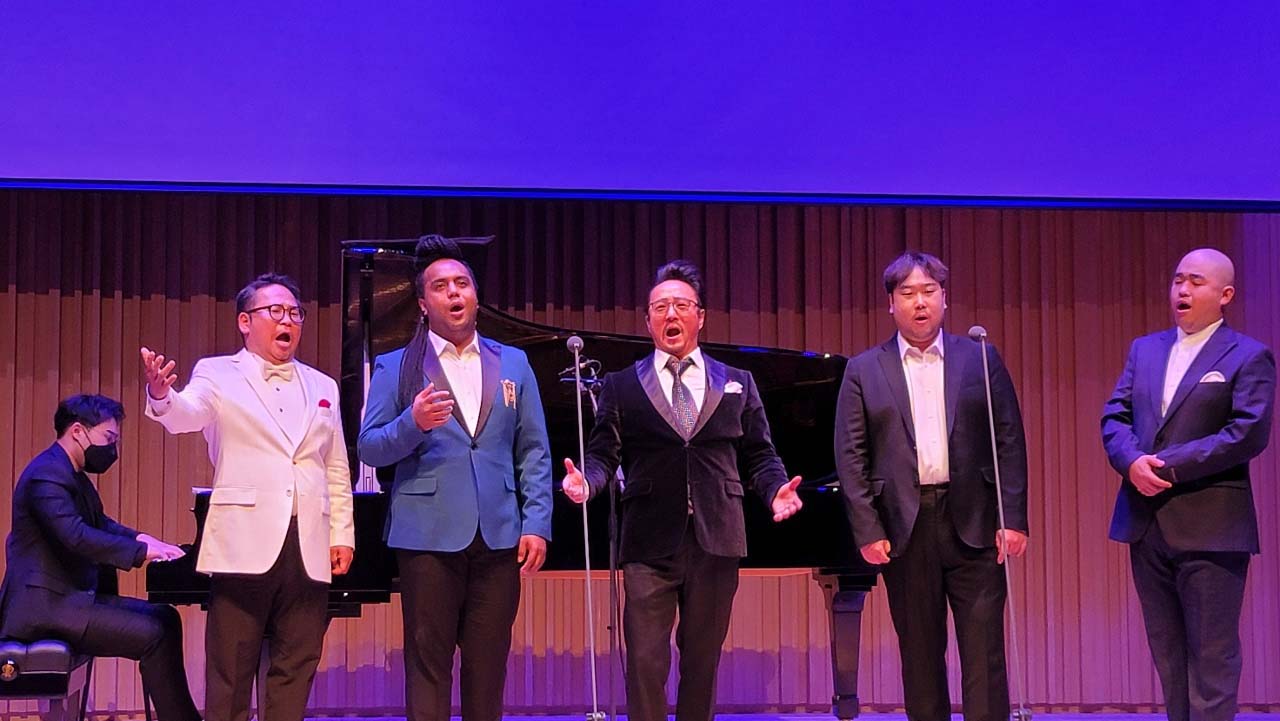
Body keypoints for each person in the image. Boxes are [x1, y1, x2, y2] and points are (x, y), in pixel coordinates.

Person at [562, 259, 803, 721]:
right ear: (647, 320)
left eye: (681, 305)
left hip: (717, 538)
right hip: (648, 541)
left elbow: (760, 454)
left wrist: (775, 490)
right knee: (645, 663)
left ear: (700, 316)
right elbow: (602, 455)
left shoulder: (738, 382)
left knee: (702, 663)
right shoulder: (620, 385)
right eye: (660, 307)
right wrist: (586, 483)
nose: (671, 314)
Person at [140, 272, 355, 721]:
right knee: (231, 669)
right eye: (275, 311)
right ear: (245, 321)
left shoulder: (323, 386)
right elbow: (187, 413)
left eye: (294, 313)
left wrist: (342, 534)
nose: (287, 320)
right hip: (244, 540)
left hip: (308, 542)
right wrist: (162, 396)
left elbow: (335, 465)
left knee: (297, 663)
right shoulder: (218, 373)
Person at [357, 235, 553, 721]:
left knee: (488, 668)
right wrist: (412, 423)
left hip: (499, 535)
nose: (454, 292)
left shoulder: (513, 363)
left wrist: (537, 523)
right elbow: (370, 448)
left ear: (476, 296)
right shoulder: (395, 366)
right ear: (424, 304)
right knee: (429, 666)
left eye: (462, 283)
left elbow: (533, 450)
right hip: (426, 536)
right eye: (440, 286)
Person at [834, 251, 1028, 721]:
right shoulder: (864, 369)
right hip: (905, 525)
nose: (919, 302)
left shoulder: (979, 356)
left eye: (929, 291)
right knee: (919, 654)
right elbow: (851, 456)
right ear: (891, 303)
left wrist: (1014, 518)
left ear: (944, 298)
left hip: (976, 522)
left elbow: (1009, 439)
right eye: (907, 293)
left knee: (984, 652)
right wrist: (867, 529)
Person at [1102, 247, 1275, 721]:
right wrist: (1131, 461)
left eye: (1196, 281)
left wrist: (1166, 466)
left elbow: (1246, 433)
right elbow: (1115, 416)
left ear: (1225, 295)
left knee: (1212, 657)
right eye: (1178, 279)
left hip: (1212, 528)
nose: (1182, 289)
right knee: (1168, 654)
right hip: (1146, 524)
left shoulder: (1248, 355)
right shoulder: (1145, 349)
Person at [0, 394, 200, 721]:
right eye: (109, 438)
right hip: (45, 609)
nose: (113, 449)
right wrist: (141, 553)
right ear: (78, 431)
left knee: (165, 617)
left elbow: (100, 523)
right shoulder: (46, 475)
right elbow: (76, 535)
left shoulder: (70, 473)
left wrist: (142, 538)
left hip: (68, 600)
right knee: (154, 634)